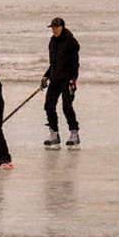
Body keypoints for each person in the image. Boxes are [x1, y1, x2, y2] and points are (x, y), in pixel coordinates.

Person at [40, 17, 81, 150]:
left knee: (66, 107)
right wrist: (46, 76)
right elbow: (53, 64)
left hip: (67, 80)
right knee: (49, 106)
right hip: (55, 79)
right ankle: (54, 134)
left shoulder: (70, 42)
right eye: (52, 28)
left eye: (57, 27)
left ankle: (74, 134)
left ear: (62, 27)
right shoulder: (52, 42)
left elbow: (75, 63)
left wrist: (73, 80)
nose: (54, 30)